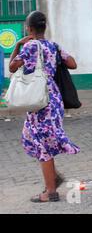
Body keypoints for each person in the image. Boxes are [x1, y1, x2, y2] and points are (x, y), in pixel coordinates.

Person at [9, 11, 80, 203]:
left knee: (42, 145)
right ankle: (53, 178)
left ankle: (50, 192)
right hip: (52, 99)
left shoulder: (30, 46)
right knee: (30, 137)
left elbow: (12, 67)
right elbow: (72, 63)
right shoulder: (53, 46)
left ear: (29, 29)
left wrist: (17, 46)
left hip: (40, 100)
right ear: (44, 27)